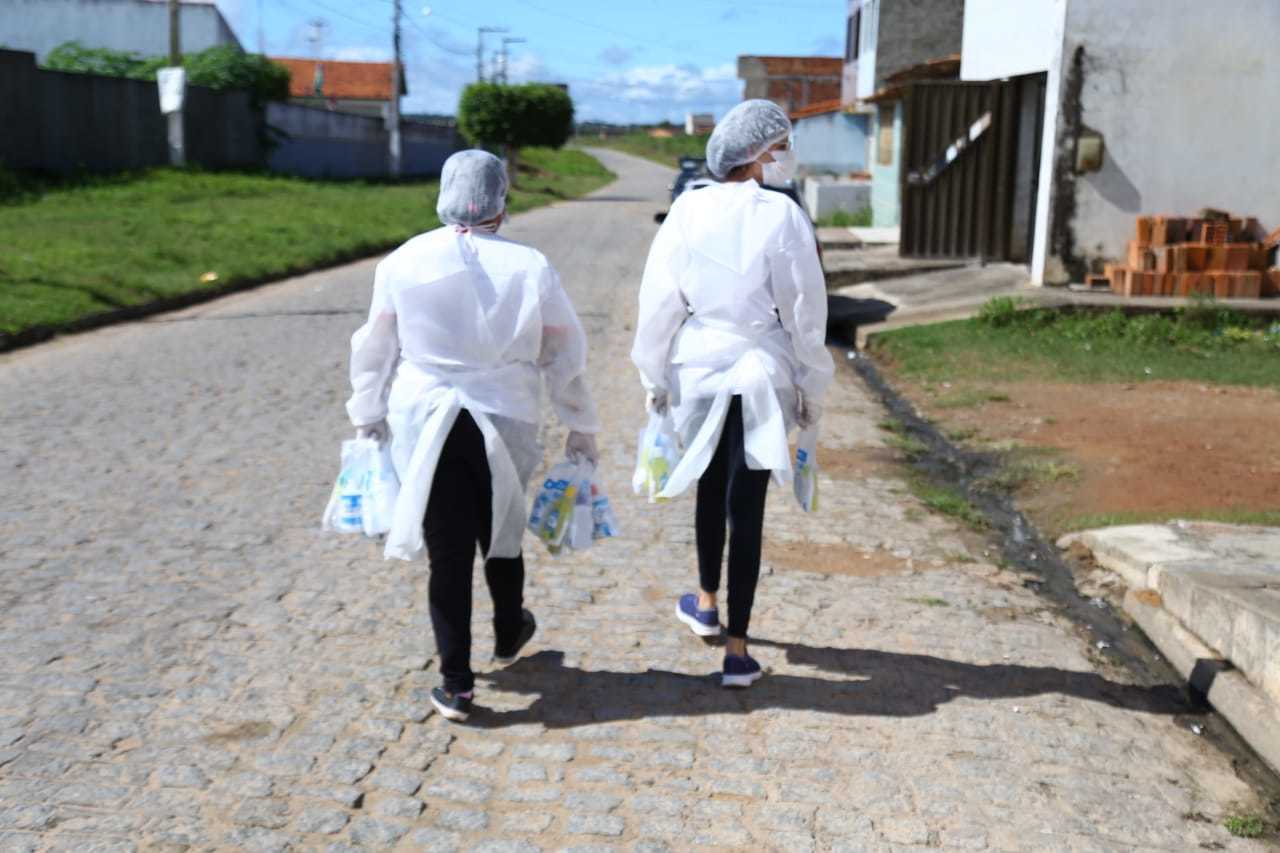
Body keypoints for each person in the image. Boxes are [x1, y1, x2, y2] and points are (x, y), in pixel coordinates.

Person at [346, 150, 600, 721]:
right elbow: (563, 350)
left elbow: (376, 345)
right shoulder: (530, 266)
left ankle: (457, 682)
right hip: (507, 412)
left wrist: (367, 411)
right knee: (502, 526)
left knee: (448, 549)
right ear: (501, 203)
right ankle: (509, 628)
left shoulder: (403, 260)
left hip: (424, 416)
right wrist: (580, 422)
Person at [631, 99, 833, 689]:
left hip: (698, 369)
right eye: (781, 147)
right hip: (762, 372)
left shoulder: (687, 209)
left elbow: (659, 302)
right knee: (747, 508)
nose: (786, 156)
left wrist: (653, 377)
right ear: (759, 155)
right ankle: (738, 652)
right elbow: (805, 310)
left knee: (708, 486)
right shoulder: (783, 214)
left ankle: (705, 602)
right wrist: (812, 383)